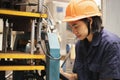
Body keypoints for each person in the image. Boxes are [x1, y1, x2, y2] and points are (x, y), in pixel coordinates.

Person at [60, 0, 120, 80]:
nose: (74, 31)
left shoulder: (110, 45)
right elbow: (78, 77)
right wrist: (61, 74)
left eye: (76, 26)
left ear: (90, 21)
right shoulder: (80, 45)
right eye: (71, 27)